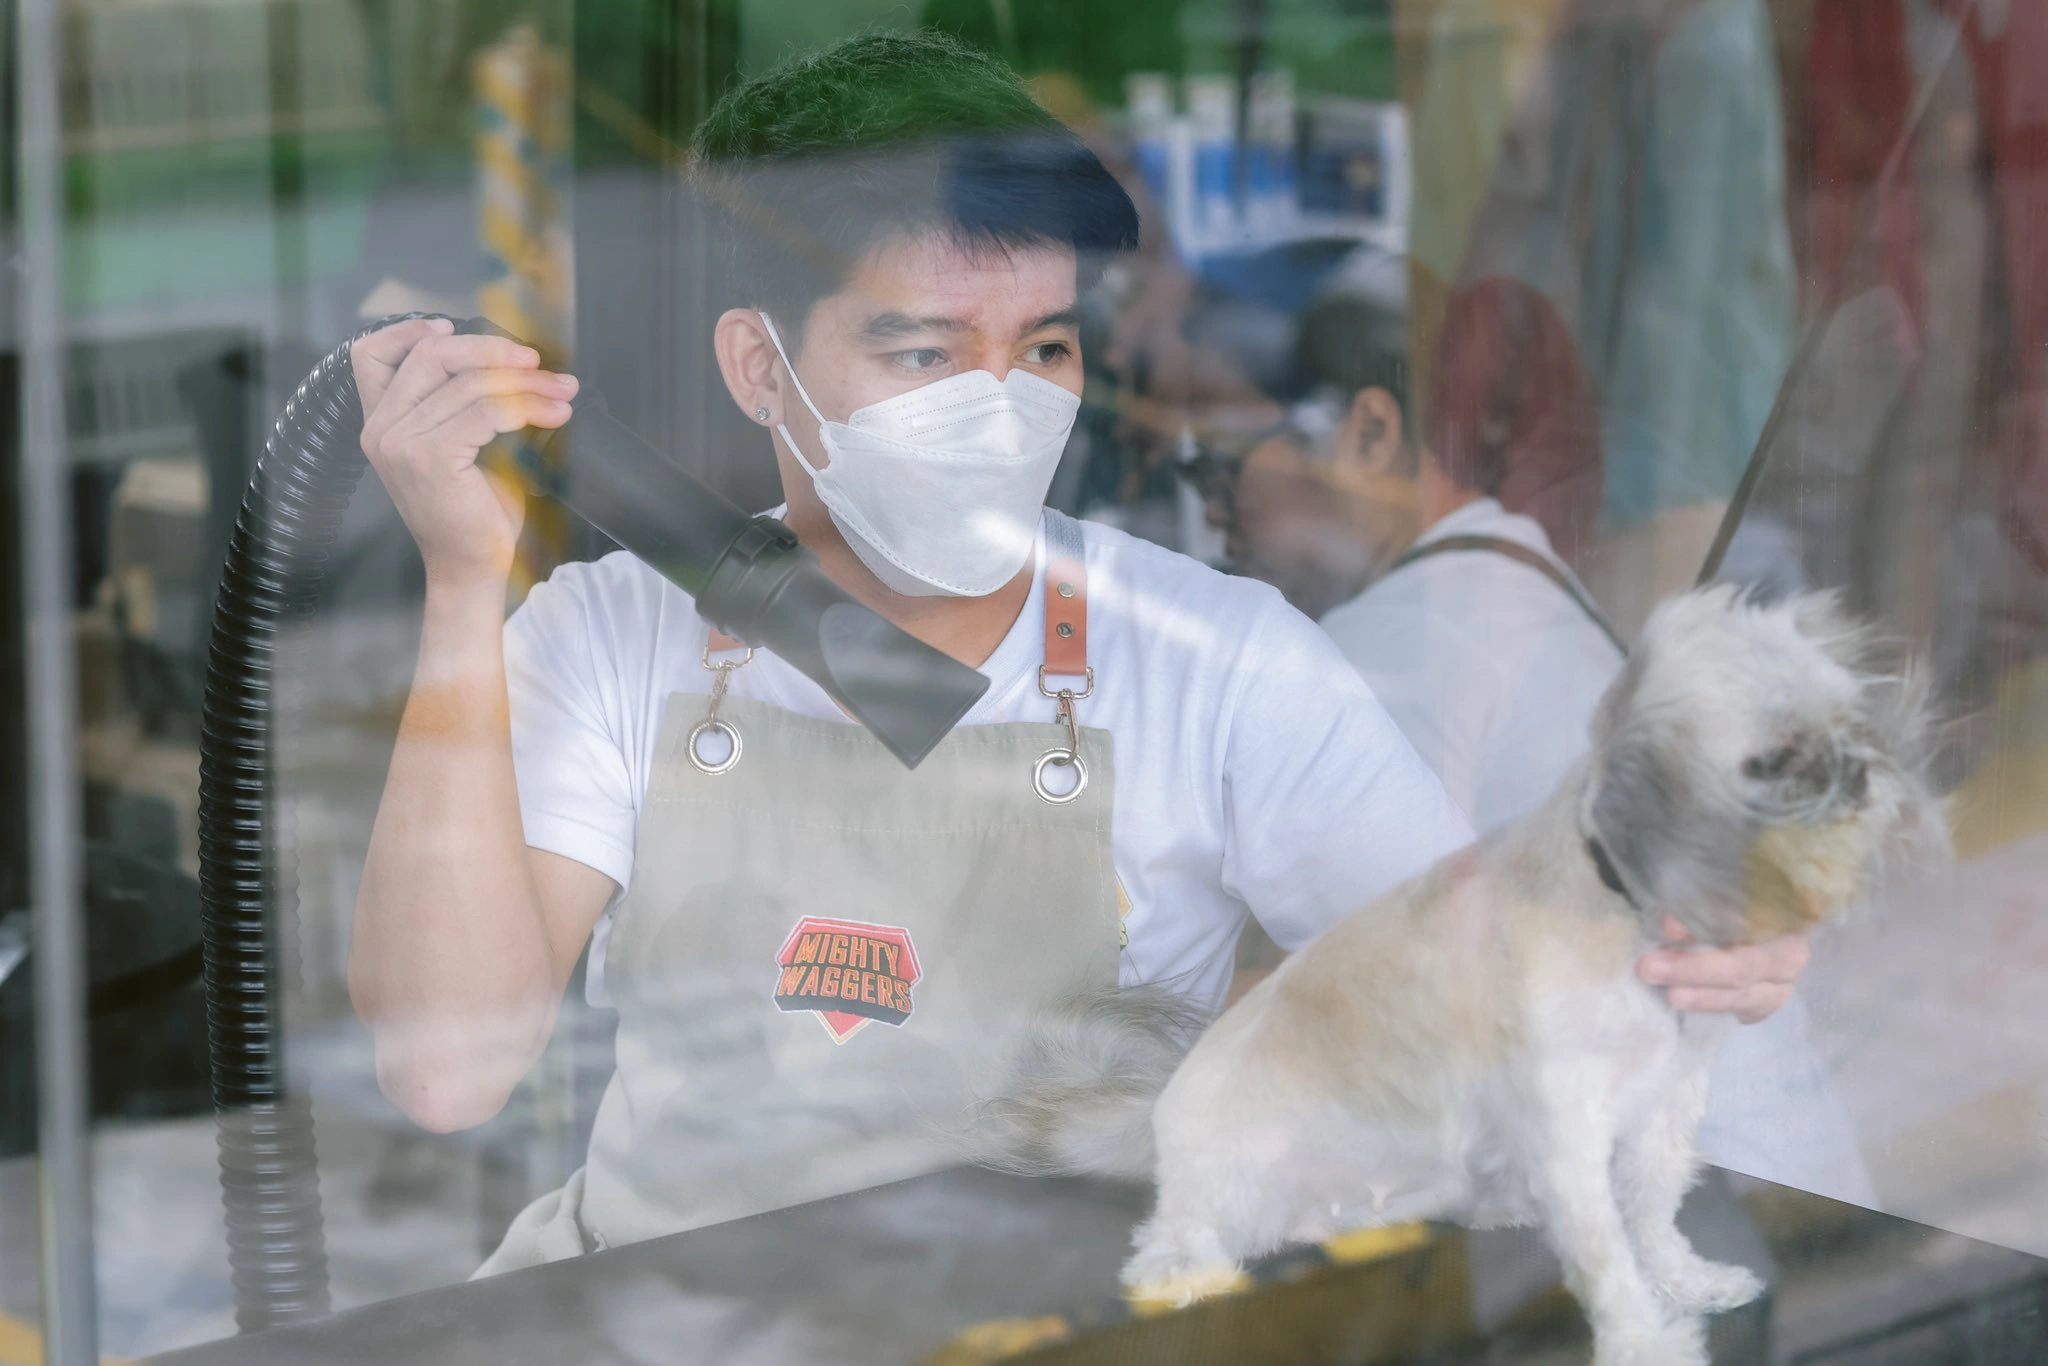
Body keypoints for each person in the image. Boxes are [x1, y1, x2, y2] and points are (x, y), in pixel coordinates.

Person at [344, 32, 1479, 1272]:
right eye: (923, 353)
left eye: (1043, 349)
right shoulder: (612, 631)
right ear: (758, 366)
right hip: (662, 1313)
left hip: (1046, 1329)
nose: (1000, 407)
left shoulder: (1217, 663)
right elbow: (446, 1072)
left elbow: (1469, 1010)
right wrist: (463, 579)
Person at [1204, 263, 1872, 1202]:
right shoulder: (1504, 592)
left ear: (1369, 435)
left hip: (1700, 1221)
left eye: (1223, 464)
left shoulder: (1397, 645)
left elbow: (1298, 1032)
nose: (1210, 508)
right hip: (1779, 1198)